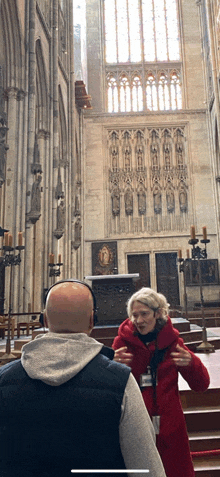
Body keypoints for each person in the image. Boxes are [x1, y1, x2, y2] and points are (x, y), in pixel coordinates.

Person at [0, 280, 166, 477]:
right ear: (92, 320)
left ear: (44, 321)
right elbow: (145, 467)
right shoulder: (120, 382)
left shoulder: (4, 380)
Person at [113, 287, 210, 477]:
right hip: (135, 425)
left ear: (158, 313)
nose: (139, 321)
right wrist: (112, 366)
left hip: (170, 425)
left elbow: (202, 384)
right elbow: (112, 389)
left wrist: (191, 364)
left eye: (144, 314)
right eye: (134, 315)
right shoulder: (122, 344)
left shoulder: (173, 342)